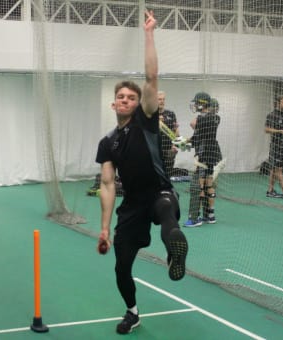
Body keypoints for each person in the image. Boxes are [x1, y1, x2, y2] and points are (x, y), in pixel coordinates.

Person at [95, 11, 188, 335]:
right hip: (132, 203)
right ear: (113, 104)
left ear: (138, 105)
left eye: (131, 98)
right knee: (122, 266)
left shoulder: (145, 121)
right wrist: (105, 229)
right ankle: (132, 312)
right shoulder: (108, 142)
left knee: (166, 211)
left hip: (159, 191)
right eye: (121, 97)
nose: (126, 100)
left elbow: (151, 77)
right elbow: (107, 184)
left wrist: (149, 33)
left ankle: (175, 252)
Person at [184, 92, 222, 227]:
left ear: (202, 104)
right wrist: (185, 141)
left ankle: (195, 218)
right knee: (209, 184)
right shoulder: (214, 118)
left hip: (204, 153)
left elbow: (194, 128)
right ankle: (210, 215)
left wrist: (199, 115)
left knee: (198, 185)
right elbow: (197, 136)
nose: (195, 105)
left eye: (197, 103)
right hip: (211, 153)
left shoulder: (205, 119)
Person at [265, 95, 283, 200]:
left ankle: (270, 190)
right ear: (278, 103)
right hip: (276, 145)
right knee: (278, 169)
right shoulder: (272, 115)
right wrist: (280, 131)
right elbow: (267, 130)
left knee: (274, 169)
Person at [158, 91, 180, 177]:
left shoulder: (171, 114)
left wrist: (175, 145)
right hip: (155, 149)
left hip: (168, 149)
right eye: (159, 99)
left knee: (168, 173)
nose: (162, 101)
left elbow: (175, 130)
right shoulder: (150, 114)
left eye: (163, 99)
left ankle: (168, 190)